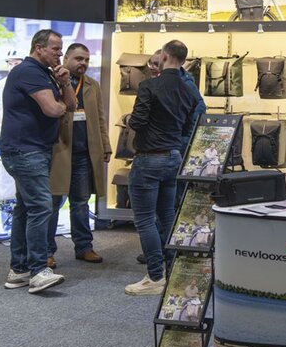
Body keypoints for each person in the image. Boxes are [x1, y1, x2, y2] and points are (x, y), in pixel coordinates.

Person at [0, 29, 76, 294]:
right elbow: (54, 109)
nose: (60, 54)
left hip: (32, 149)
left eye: (61, 49)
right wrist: (61, 104)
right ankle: (38, 270)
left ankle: (18, 270)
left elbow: (71, 105)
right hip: (25, 150)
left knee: (25, 208)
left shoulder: (47, 74)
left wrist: (65, 83)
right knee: (42, 207)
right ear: (39, 48)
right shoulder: (29, 71)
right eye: (55, 49)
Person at [125, 40, 197, 296]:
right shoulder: (189, 90)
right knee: (167, 216)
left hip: (148, 159)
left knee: (145, 220)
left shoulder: (149, 86)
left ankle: (155, 277)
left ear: (165, 56)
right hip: (174, 157)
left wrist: (129, 120)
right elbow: (190, 126)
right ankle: (171, 273)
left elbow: (139, 121)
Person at [46, 44, 110, 269]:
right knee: (53, 203)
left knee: (81, 203)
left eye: (86, 60)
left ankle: (84, 247)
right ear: (66, 58)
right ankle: (47, 252)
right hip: (59, 151)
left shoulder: (93, 85)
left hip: (84, 154)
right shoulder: (51, 80)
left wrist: (106, 145)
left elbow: (100, 118)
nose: (83, 63)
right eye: (78, 59)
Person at [0, 49, 23, 148]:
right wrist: (17, 122)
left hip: (27, 140)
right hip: (5, 138)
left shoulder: (30, 84)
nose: (12, 67)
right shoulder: (0, 86)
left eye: (16, 63)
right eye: (10, 64)